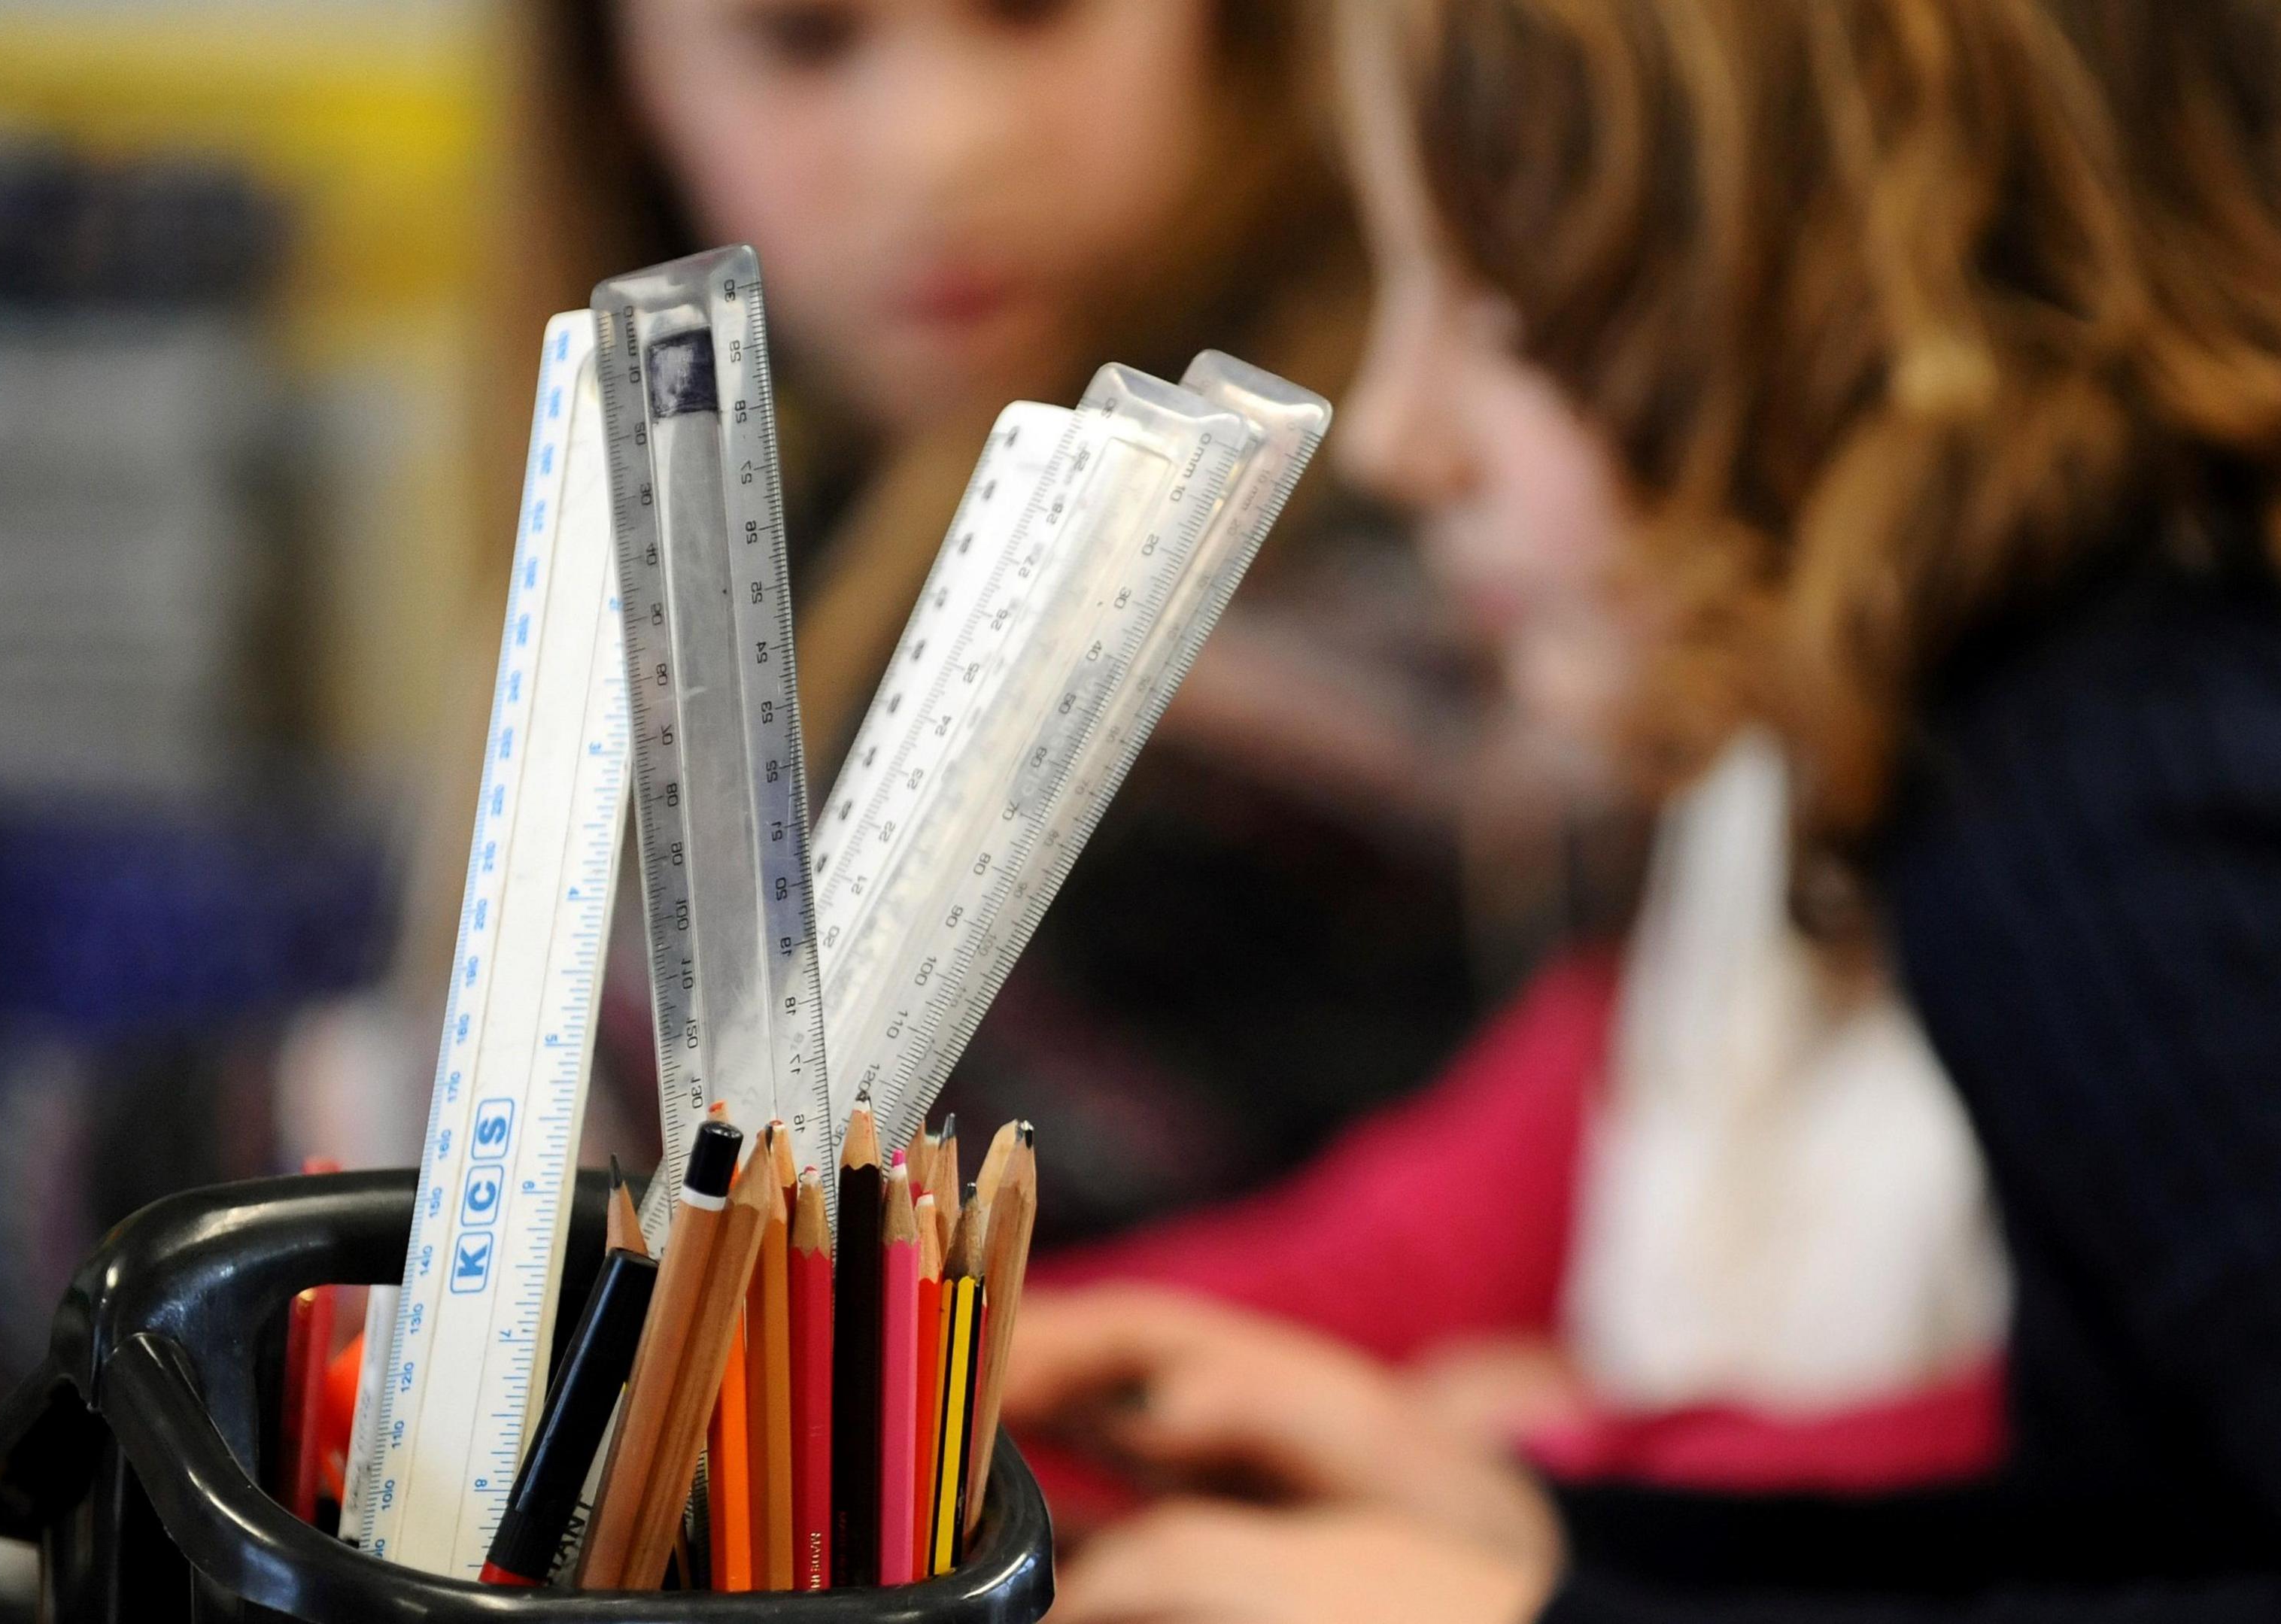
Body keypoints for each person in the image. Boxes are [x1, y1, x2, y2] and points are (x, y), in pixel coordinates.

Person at [1002, 2, 2281, 1620]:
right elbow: (2221, 1532)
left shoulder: (2126, 799)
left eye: (1495, 304)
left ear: (1855, 276)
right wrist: (1543, 1542)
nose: (1400, 432)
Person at [394, 0, 1518, 1228]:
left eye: (1035, 13)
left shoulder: (1373, 592)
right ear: (613, 89)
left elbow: (584, 1185)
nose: (944, 146)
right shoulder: (801, 481)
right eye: (802, 41)